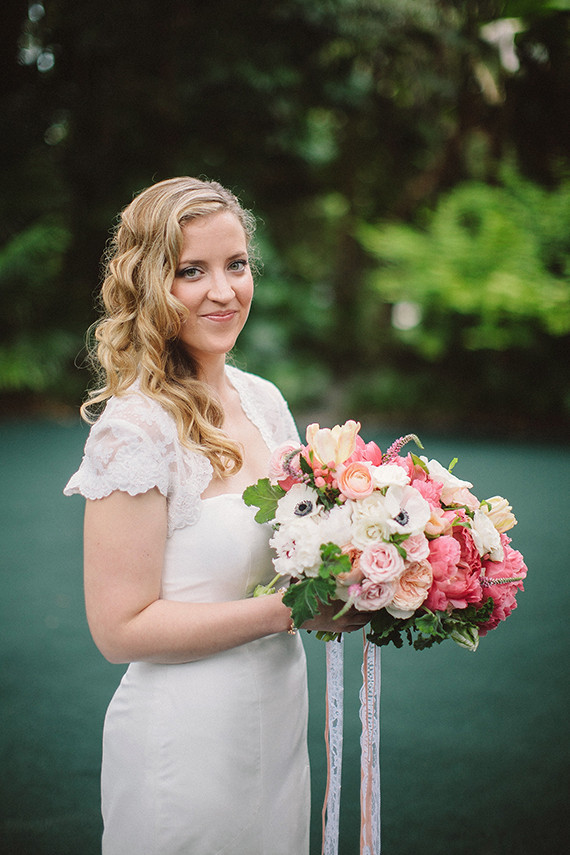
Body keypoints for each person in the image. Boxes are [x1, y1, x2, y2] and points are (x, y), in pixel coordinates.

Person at [64, 176, 369, 855]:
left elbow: (296, 557)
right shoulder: (134, 429)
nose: (224, 290)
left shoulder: (264, 401)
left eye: (236, 264)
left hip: (277, 716)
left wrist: (365, 579)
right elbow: (119, 628)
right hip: (185, 739)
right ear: (148, 282)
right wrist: (289, 610)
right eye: (190, 271)